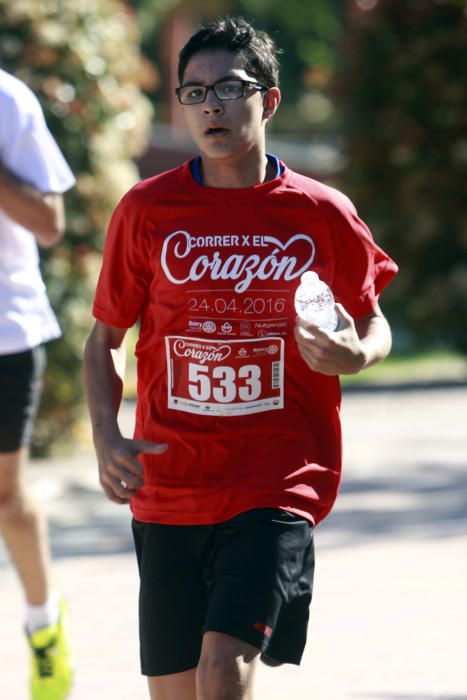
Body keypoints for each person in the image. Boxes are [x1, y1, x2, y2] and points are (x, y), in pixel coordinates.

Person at [83, 16, 398, 700]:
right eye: (193, 93)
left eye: (228, 87)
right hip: (169, 487)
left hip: (275, 478)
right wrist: (107, 435)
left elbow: (374, 319)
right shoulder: (146, 210)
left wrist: (356, 352)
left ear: (269, 99)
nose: (210, 107)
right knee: (173, 692)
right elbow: (104, 340)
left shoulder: (321, 212)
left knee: (221, 670)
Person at [0, 68, 75, 700]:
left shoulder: (8, 98)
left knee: (5, 498)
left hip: (6, 330)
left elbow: (50, 221)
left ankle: (43, 628)